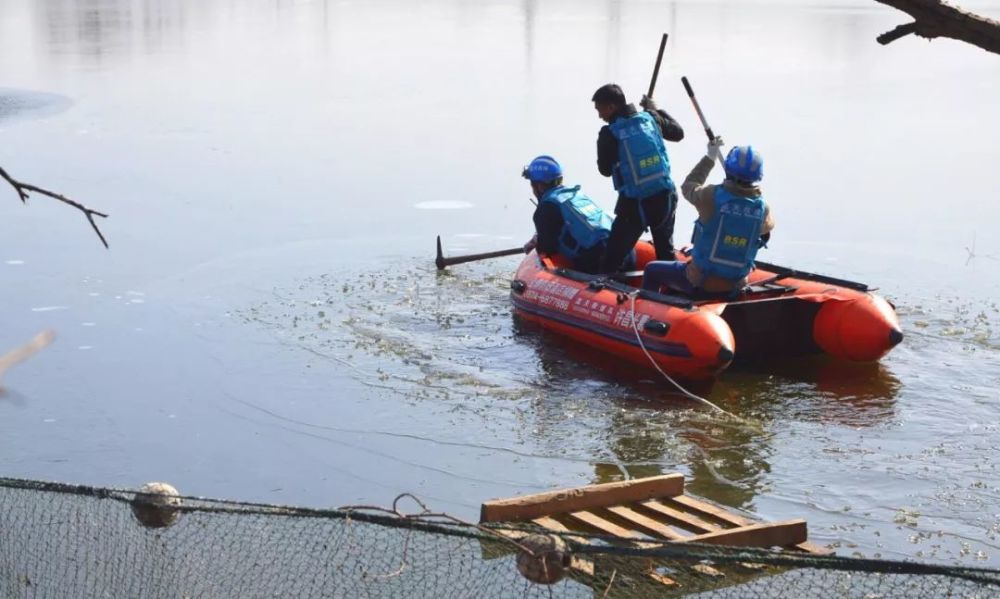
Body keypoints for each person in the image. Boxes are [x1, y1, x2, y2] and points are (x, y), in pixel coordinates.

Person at [642, 139, 775, 297]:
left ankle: (648, 308)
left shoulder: (711, 196)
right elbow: (766, 229)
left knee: (651, 269)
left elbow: (689, 186)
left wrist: (710, 158)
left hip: (700, 281)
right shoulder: (763, 209)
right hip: (735, 285)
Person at [591, 83, 684, 273]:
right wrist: (655, 109)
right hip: (665, 197)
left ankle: (607, 286)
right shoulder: (650, 118)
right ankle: (673, 288)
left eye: (600, 110)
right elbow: (678, 133)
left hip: (634, 205)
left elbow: (605, 170)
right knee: (665, 254)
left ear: (611, 107)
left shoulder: (609, 133)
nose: (600, 116)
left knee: (611, 259)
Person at [521, 155, 613, 274]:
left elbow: (546, 249)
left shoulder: (547, 207)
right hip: (621, 252)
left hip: (597, 263)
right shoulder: (575, 194)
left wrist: (535, 245)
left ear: (539, 186)